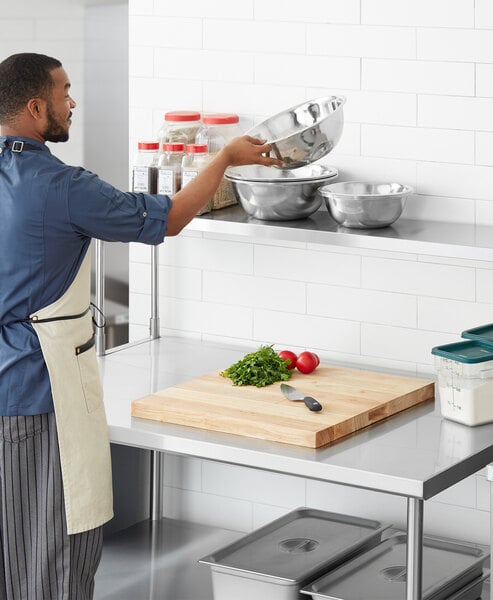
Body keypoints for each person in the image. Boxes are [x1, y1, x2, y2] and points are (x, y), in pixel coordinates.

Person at [0, 52, 282, 600]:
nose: (72, 102)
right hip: (38, 390)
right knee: (53, 551)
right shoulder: (60, 186)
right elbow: (170, 218)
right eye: (64, 93)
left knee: (11, 549)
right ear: (36, 108)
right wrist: (224, 157)